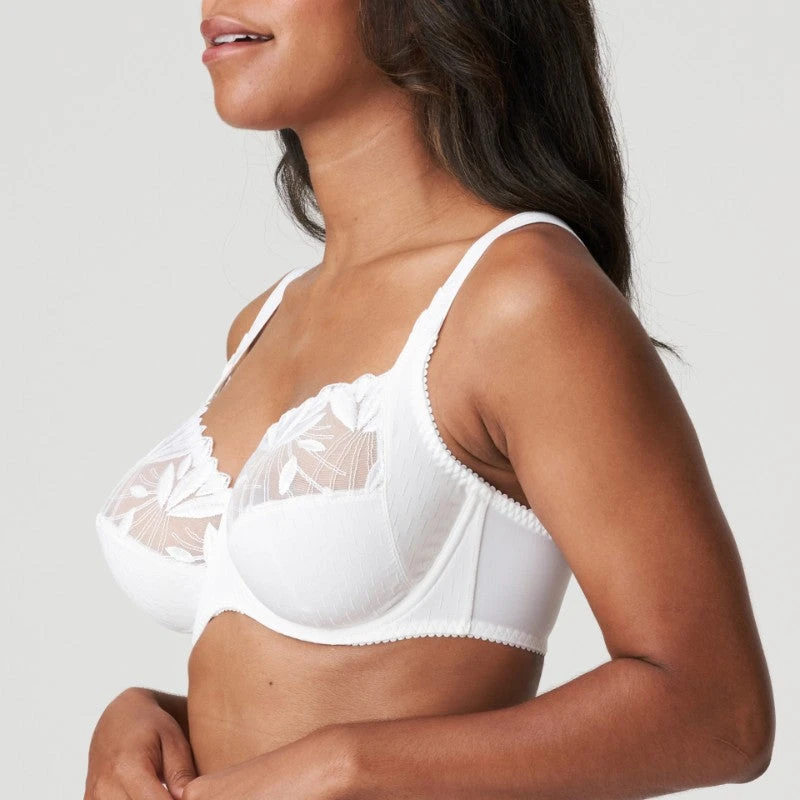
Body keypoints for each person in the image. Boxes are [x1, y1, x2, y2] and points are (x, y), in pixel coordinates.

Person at [85, 2, 774, 799]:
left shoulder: (523, 298)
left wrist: (350, 767)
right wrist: (149, 715)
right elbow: (314, 682)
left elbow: (717, 713)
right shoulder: (263, 321)